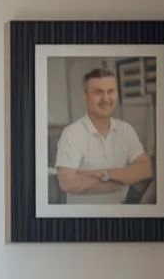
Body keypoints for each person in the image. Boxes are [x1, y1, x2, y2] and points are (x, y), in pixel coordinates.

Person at [54, 67, 153, 204]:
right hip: (83, 214)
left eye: (111, 91)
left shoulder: (126, 130)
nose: (106, 98)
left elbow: (146, 169)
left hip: (122, 212)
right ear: (85, 96)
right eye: (98, 92)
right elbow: (67, 183)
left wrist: (106, 175)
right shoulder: (71, 134)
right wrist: (124, 178)